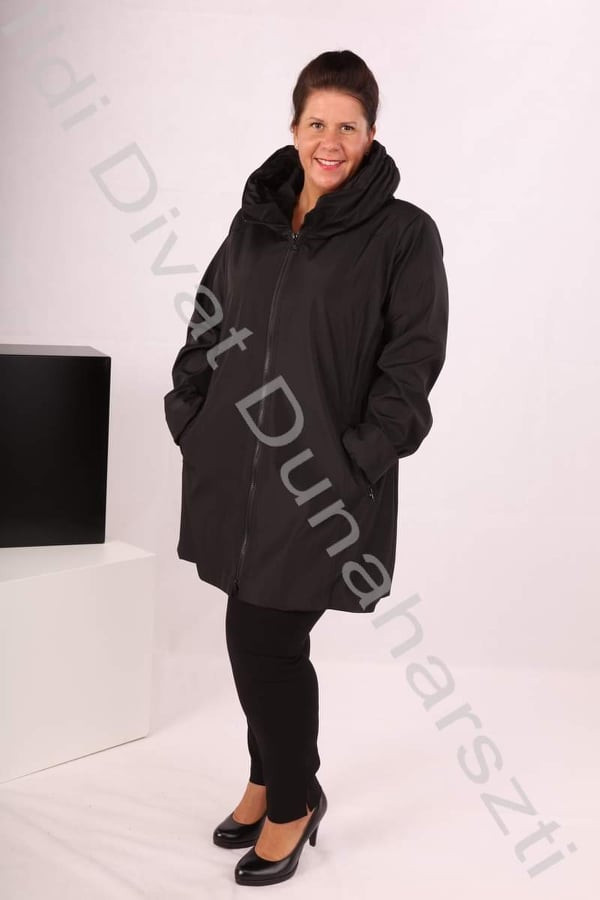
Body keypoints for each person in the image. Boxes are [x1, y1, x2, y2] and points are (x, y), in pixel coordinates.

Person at [164, 49, 449, 886]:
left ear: (371, 134)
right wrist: (192, 413)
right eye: (317, 123)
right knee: (248, 629)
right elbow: (209, 321)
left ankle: (295, 799)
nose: (331, 141)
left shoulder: (403, 235)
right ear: (294, 129)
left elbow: (412, 364)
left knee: (267, 640)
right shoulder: (254, 222)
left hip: (323, 483)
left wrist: (359, 459)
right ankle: (266, 780)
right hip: (237, 471)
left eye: (348, 127)